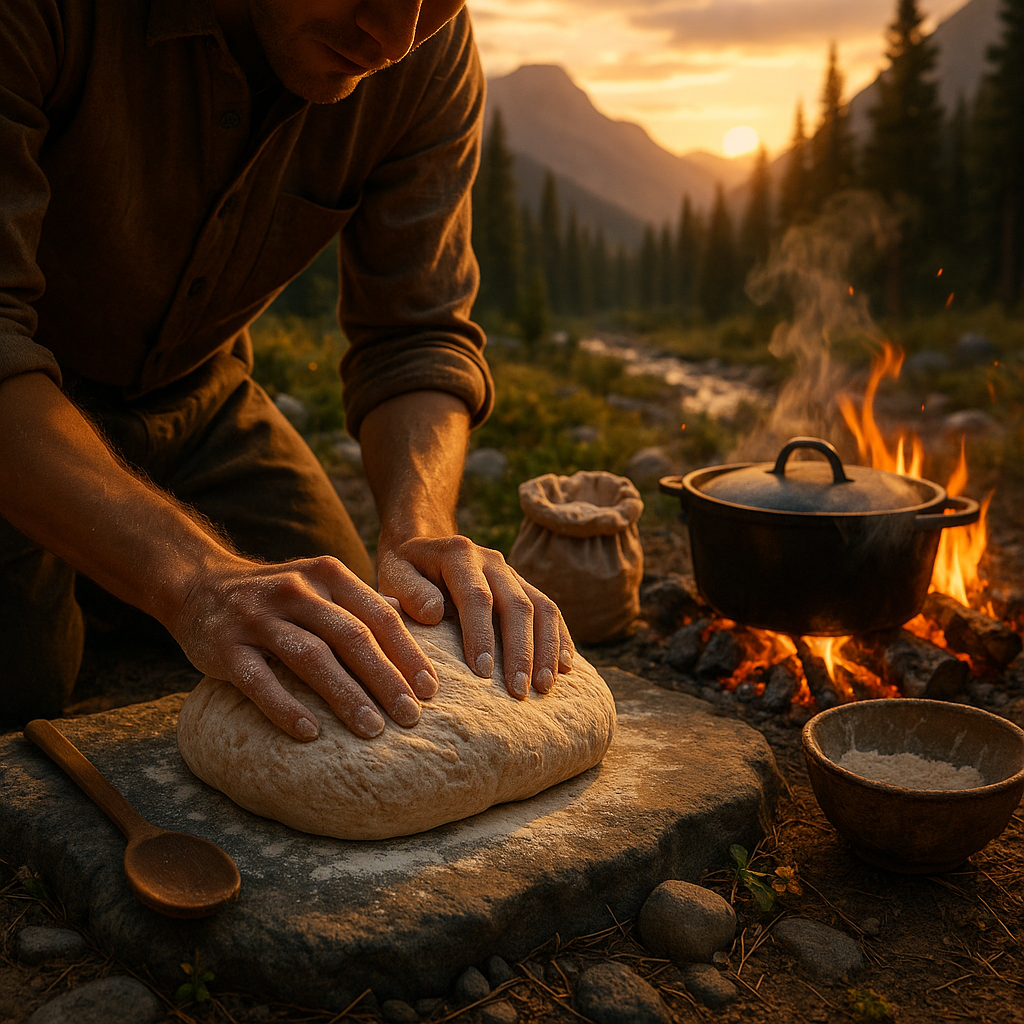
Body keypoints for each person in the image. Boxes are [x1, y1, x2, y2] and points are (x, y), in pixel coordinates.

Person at [0, 0, 574, 739]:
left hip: (199, 399)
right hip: (22, 399)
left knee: (344, 634)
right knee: (26, 677)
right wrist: (193, 580)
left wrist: (418, 527)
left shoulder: (427, 57)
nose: (395, 40)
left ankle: (96, 571)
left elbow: (415, 332)